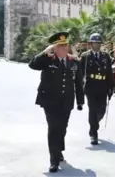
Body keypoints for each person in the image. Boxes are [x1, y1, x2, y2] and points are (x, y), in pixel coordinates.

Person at [28, 32, 84, 173]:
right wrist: (45, 52)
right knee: (54, 128)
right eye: (60, 46)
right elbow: (32, 65)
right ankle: (53, 160)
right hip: (50, 101)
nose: (64, 49)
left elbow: (78, 83)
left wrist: (80, 101)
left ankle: (58, 150)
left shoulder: (74, 62)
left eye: (66, 46)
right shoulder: (48, 60)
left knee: (62, 128)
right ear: (54, 48)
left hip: (66, 101)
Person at [80, 33, 114, 145]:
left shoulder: (106, 56)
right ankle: (93, 133)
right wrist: (79, 88)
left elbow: (109, 72)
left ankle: (94, 124)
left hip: (103, 85)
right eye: (95, 43)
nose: (97, 45)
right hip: (91, 86)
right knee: (93, 109)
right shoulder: (85, 56)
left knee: (102, 110)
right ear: (91, 44)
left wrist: (111, 87)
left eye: (99, 43)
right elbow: (80, 73)